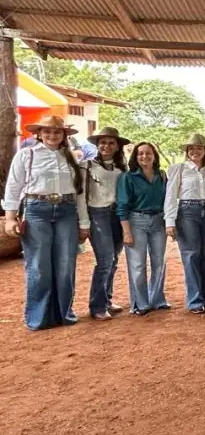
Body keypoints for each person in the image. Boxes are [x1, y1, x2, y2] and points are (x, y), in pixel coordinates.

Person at [3, 116, 84, 330]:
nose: (52, 135)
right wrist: (10, 217)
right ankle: (39, 317)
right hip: (37, 210)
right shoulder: (26, 155)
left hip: (67, 210)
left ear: (64, 135)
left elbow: (80, 192)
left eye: (57, 131)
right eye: (47, 131)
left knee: (66, 263)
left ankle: (63, 313)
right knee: (39, 265)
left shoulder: (72, 158)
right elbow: (13, 186)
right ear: (39, 133)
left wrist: (83, 222)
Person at [79, 127, 130, 320]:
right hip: (97, 214)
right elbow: (81, 196)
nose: (106, 146)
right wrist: (84, 222)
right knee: (105, 260)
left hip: (117, 214)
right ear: (97, 145)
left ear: (118, 146)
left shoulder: (122, 169)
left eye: (110, 143)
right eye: (102, 142)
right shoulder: (87, 166)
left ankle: (107, 299)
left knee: (114, 259)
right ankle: (97, 305)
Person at [164, 133, 205, 314]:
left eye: (199, 148)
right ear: (187, 151)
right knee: (190, 254)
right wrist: (169, 221)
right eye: (191, 148)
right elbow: (170, 195)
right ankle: (195, 300)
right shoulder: (178, 169)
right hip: (187, 210)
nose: (195, 151)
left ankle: (203, 295)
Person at [117, 142, 169, 315]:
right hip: (136, 220)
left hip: (158, 221)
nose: (144, 157)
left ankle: (157, 299)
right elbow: (122, 206)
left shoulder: (161, 176)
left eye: (148, 153)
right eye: (140, 154)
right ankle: (140, 303)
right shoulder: (128, 177)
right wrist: (126, 232)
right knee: (138, 264)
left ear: (154, 156)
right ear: (135, 157)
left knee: (159, 262)